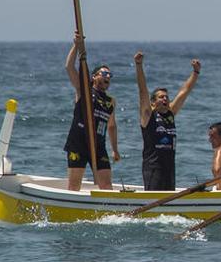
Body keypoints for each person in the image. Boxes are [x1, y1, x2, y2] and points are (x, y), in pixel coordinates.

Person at [134, 51, 201, 191]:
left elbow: (184, 92)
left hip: (170, 168)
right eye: (161, 97)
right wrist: (139, 65)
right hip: (153, 168)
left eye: (166, 97)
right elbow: (142, 91)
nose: (165, 99)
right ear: (152, 102)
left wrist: (195, 73)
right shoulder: (148, 116)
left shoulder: (170, 115)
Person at [63, 32, 120, 191]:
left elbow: (112, 126)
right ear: (94, 77)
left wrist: (115, 149)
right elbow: (69, 67)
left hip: (98, 145)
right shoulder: (84, 90)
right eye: (103, 73)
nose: (107, 77)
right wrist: (76, 45)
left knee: (107, 185)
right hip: (78, 142)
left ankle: (108, 213)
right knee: (74, 185)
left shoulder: (110, 101)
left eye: (109, 75)